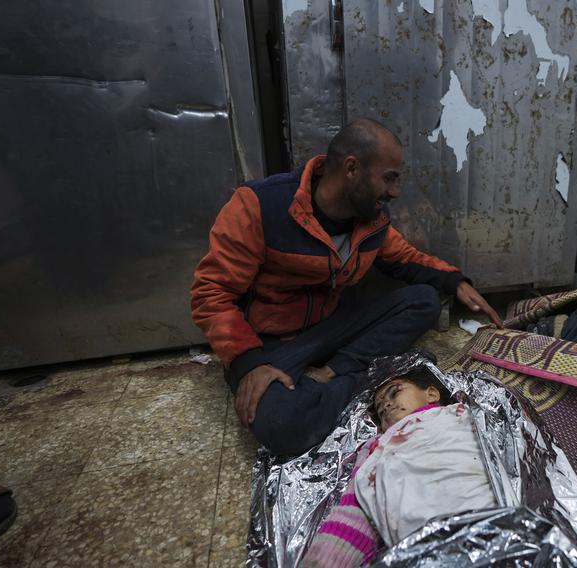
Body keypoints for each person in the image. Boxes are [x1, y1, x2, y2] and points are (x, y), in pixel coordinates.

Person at [191, 118, 501, 455]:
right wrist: (249, 363)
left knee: (424, 301)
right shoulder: (258, 205)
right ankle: (362, 380)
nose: (394, 192)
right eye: (389, 178)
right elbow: (212, 293)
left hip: (332, 327)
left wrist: (454, 281)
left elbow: (405, 258)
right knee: (283, 426)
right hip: (272, 345)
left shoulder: (371, 221)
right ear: (352, 168)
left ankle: (333, 373)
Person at [301, 368, 498, 567]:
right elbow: (354, 512)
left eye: (395, 392)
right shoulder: (377, 448)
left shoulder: (460, 414)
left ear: (431, 394)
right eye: (379, 409)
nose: (385, 405)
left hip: (491, 523)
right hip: (428, 548)